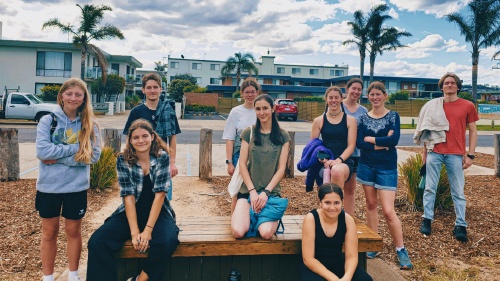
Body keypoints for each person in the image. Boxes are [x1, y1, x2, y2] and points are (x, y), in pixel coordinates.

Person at [87, 119, 179, 281]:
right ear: (130, 140)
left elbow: (160, 194)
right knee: (97, 241)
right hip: (130, 212)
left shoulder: (162, 157)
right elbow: (128, 197)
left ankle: (141, 278)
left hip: (158, 212)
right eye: (136, 137)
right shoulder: (123, 160)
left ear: (152, 137)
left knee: (167, 240)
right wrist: (135, 231)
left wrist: (148, 230)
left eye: (145, 136)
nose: (141, 140)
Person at [35, 78, 102, 281]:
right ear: (61, 96)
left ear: (84, 98)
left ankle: (73, 275)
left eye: (78, 94)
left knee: (73, 232)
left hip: (76, 187)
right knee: (49, 233)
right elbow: (42, 151)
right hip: (49, 187)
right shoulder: (48, 121)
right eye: (69, 93)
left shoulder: (90, 124)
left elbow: (93, 156)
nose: (73, 98)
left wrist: (58, 158)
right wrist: (77, 150)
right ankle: (48, 277)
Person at [356, 81, 412, 269]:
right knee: (371, 205)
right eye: (372, 94)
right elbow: (359, 143)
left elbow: (394, 140)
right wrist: (382, 143)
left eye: (378, 94)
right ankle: (373, 243)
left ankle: (400, 249)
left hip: (386, 168)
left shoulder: (393, 117)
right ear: (368, 97)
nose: (375, 97)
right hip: (366, 166)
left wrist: (370, 139)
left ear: (384, 96)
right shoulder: (363, 119)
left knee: (388, 211)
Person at [417, 73, 478, 242]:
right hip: (434, 151)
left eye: (452, 83)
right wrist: (425, 154)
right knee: (430, 187)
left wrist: (470, 154)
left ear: (458, 87)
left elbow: (473, 130)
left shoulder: (467, 106)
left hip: (455, 154)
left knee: (458, 191)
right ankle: (427, 219)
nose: (449, 85)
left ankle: (461, 225)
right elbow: (427, 131)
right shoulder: (433, 106)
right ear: (441, 87)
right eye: (446, 83)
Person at [231, 94, 290, 239]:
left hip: (270, 194)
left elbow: (281, 168)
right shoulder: (248, 133)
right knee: (238, 232)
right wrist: (252, 191)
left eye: (265, 108)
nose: (261, 112)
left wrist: (265, 192)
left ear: (273, 109)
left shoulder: (283, 136)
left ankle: (261, 216)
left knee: (266, 233)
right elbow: (243, 164)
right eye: (258, 109)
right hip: (248, 192)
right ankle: (250, 215)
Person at [123, 73, 181, 201]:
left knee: (163, 200)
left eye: (155, 87)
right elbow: (129, 138)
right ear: (143, 90)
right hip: (140, 162)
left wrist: (172, 163)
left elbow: (172, 138)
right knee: (140, 199)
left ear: (161, 89)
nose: (152, 90)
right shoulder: (136, 112)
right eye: (149, 87)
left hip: (162, 162)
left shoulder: (169, 110)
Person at [300, 183, 373, 281]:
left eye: (336, 203)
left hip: (337, 263)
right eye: (327, 202)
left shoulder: (347, 220)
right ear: (320, 202)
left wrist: (347, 277)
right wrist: (333, 279)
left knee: (365, 279)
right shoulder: (311, 219)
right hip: (314, 267)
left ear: (342, 202)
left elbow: (351, 256)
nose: (332, 207)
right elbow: (308, 259)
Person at [311, 86, 357, 213]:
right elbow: (313, 146)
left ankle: (336, 213)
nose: (333, 100)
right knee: (326, 177)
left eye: (337, 97)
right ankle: (325, 215)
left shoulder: (350, 120)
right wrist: (323, 160)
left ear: (342, 99)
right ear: (326, 99)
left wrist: (338, 160)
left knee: (336, 171)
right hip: (324, 162)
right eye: (330, 97)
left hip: (344, 162)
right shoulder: (318, 121)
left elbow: (351, 146)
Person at [222, 77, 258, 211]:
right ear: (242, 93)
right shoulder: (236, 112)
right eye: (247, 92)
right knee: (237, 189)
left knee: (254, 188)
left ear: (257, 92)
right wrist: (229, 162)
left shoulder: (261, 109)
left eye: (252, 91)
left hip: (258, 154)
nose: (250, 95)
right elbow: (229, 137)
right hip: (239, 154)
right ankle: (234, 217)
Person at [342, 78, 368, 215]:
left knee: (350, 189)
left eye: (359, 89)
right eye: (353, 88)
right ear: (347, 90)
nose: (356, 92)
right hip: (339, 153)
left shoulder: (363, 111)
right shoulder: (338, 105)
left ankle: (348, 218)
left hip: (356, 154)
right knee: (334, 188)